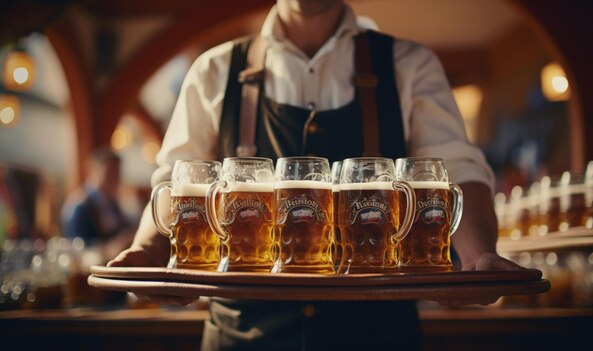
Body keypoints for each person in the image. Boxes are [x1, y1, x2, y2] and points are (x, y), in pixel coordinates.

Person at [109, 0, 523, 349]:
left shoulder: (410, 65)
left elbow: (458, 173)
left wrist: (477, 257)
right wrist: (147, 250)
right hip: (242, 335)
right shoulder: (212, 70)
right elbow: (171, 183)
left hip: (376, 335)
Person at [61, 147, 135, 262]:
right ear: (94, 171)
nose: (115, 177)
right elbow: (77, 248)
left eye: (117, 172)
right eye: (110, 172)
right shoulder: (79, 206)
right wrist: (109, 248)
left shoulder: (112, 204)